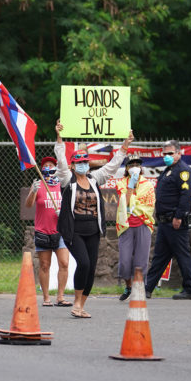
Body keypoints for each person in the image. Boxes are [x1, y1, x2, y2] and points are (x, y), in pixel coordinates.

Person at [55, 121, 132, 318]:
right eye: (79, 162)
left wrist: (124, 146)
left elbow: (112, 167)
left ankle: (80, 305)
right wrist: (59, 137)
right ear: (73, 165)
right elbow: (61, 161)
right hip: (75, 231)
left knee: (91, 268)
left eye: (85, 162)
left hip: (93, 230)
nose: (82, 164)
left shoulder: (94, 179)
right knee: (84, 263)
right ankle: (76, 303)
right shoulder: (67, 180)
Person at [144, 140, 191, 300]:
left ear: (179, 153)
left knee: (182, 255)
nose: (166, 156)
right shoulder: (168, 170)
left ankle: (190, 290)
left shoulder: (183, 171)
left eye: (170, 153)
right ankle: (147, 288)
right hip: (164, 222)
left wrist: (179, 216)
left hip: (175, 221)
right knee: (160, 257)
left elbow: (186, 195)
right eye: (164, 153)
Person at [26, 156, 71, 307]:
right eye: (45, 165)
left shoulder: (62, 185)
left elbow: (70, 205)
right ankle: (46, 297)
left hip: (60, 232)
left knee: (64, 263)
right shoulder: (38, 184)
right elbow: (28, 205)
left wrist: (62, 213)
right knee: (45, 265)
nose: (48, 167)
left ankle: (60, 296)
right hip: (43, 231)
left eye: (51, 164)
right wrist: (33, 191)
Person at [116, 155, 155, 301]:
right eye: (131, 164)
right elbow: (125, 203)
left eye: (137, 164)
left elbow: (149, 206)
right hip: (126, 225)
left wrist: (135, 205)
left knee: (141, 260)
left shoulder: (148, 185)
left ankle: (139, 290)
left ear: (141, 167)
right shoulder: (121, 183)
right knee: (125, 262)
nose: (135, 167)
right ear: (126, 168)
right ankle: (128, 286)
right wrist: (131, 186)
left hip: (143, 224)